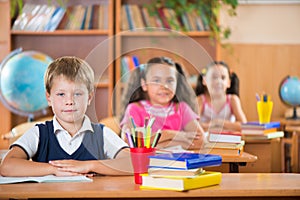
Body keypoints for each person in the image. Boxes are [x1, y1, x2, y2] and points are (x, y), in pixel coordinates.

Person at [0, 56, 132, 177]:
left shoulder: (101, 134)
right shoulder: (39, 133)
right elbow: (7, 166)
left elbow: (134, 164)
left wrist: (89, 165)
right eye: (61, 94)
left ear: (89, 97)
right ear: (49, 98)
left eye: (78, 94)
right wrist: (54, 169)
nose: (70, 101)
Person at [119, 56, 204, 150]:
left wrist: (156, 144)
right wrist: (171, 135)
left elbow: (200, 141)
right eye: (156, 80)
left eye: (170, 80)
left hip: (178, 163)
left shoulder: (182, 109)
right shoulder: (135, 108)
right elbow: (130, 141)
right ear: (144, 84)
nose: (164, 86)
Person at [195, 61, 247, 132]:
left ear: (229, 82)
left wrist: (218, 122)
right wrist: (224, 127)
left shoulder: (233, 99)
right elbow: (193, 126)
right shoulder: (200, 100)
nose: (218, 81)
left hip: (229, 141)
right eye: (214, 77)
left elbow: (244, 125)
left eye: (223, 78)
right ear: (204, 81)